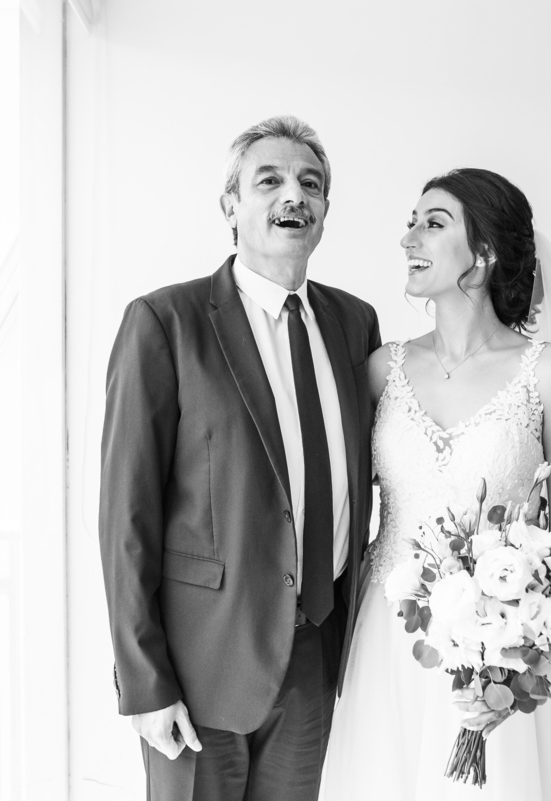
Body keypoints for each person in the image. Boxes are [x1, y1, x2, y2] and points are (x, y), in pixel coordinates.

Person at [99, 115, 380, 801]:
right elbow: (125, 515)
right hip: (200, 665)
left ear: (325, 211)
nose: (294, 196)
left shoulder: (356, 325)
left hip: (316, 653)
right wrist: (145, 681)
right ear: (230, 203)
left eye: (310, 184)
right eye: (270, 180)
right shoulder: (166, 321)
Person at [320, 168, 551, 800]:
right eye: (411, 223)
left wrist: (526, 662)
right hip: (389, 641)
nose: (409, 239)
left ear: (482, 256)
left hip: (505, 649)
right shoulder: (381, 370)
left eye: (433, 223)